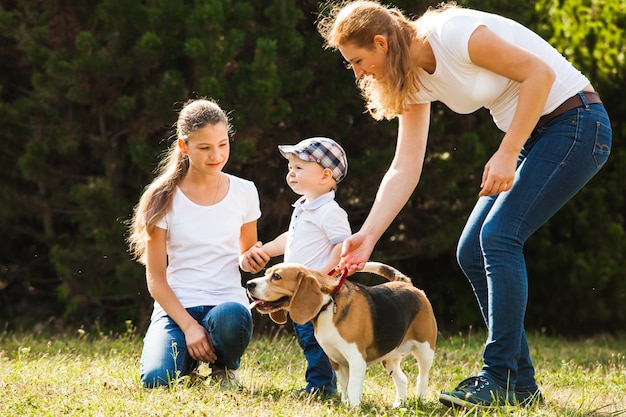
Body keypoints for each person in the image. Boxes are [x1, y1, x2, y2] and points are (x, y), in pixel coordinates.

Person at [317, 0, 612, 409]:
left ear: (382, 43)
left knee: (499, 237)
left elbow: (539, 74)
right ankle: (520, 383)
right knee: (472, 248)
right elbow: (405, 166)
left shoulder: (454, 33)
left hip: (577, 122)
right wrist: (367, 236)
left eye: (358, 61)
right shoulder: (412, 77)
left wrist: (508, 153)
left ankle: (499, 375)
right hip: (536, 135)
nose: (358, 73)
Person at [128, 98, 263, 389]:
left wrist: (253, 259)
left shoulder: (245, 191)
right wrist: (189, 327)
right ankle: (188, 359)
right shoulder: (161, 198)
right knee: (156, 381)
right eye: (204, 147)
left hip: (225, 306)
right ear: (183, 146)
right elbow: (155, 279)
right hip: (177, 309)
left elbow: (245, 254)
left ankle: (223, 369)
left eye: (223, 144)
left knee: (234, 315)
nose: (216, 155)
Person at [241, 137, 351, 398]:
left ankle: (322, 387)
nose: (291, 172)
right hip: (300, 293)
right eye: (290, 167)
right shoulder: (304, 208)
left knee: (317, 342)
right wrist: (266, 250)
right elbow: (291, 238)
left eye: (299, 167)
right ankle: (322, 383)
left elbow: (342, 244)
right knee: (307, 338)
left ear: (325, 175)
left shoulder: (329, 211)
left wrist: (324, 274)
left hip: (319, 293)